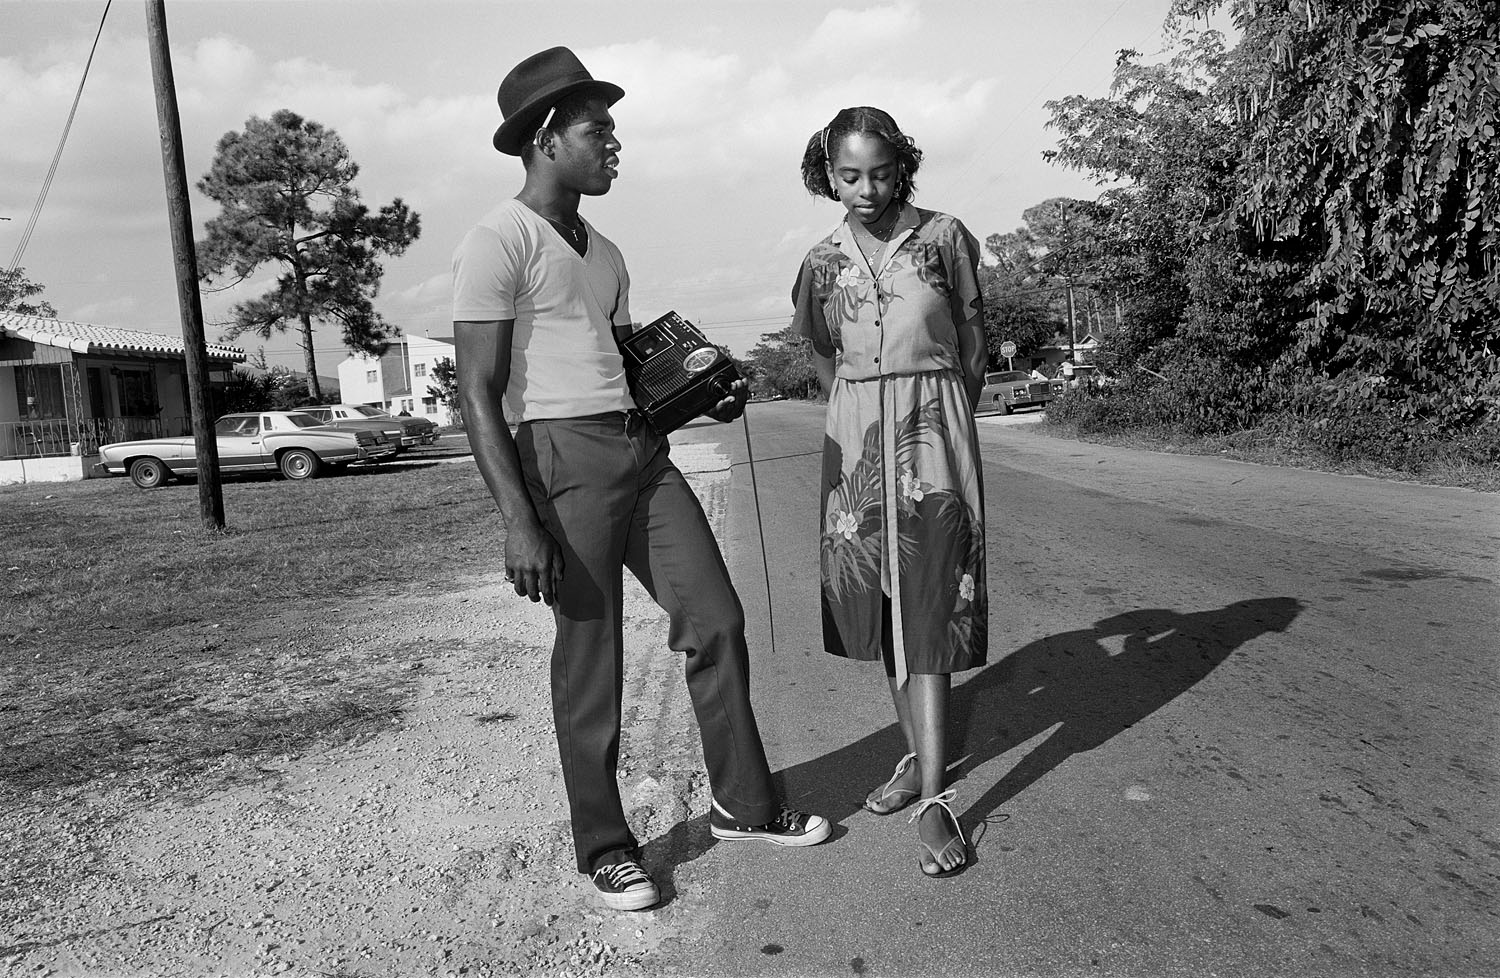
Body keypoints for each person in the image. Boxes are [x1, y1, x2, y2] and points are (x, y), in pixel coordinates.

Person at [451, 47, 829, 913]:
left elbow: (622, 369)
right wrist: (518, 519)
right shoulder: (497, 240)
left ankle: (744, 805)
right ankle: (607, 846)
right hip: (559, 454)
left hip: (638, 450)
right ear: (547, 138)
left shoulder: (607, 250)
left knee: (717, 616)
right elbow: (476, 390)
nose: (613, 142)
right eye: (597, 129)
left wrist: (700, 394)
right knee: (592, 656)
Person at [790, 107, 988, 878]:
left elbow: (971, 341)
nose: (865, 190)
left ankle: (937, 800)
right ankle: (916, 756)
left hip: (933, 427)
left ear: (901, 165)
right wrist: (853, 417)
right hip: (855, 437)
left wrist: (942, 422)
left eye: (879, 172)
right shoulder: (820, 260)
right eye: (849, 175)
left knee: (932, 597)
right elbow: (818, 350)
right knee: (878, 601)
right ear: (827, 174)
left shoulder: (944, 238)